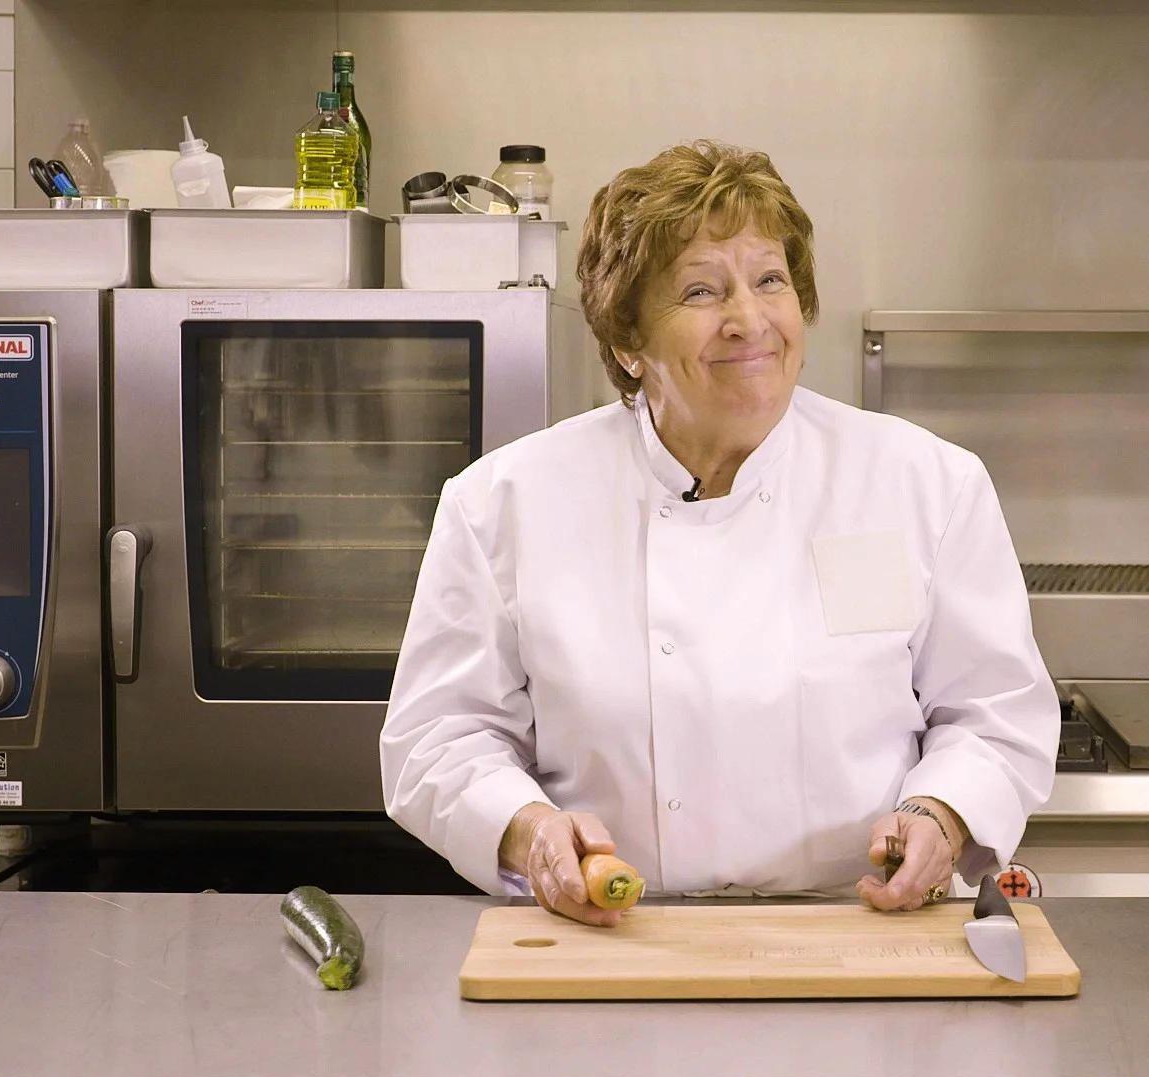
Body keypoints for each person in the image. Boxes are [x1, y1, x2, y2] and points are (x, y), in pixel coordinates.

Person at [381, 140, 1056, 926]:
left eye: (770, 280)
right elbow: (439, 738)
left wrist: (942, 813)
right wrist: (527, 831)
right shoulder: (503, 503)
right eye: (701, 291)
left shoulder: (925, 483)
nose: (749, 321)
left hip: (860, 929)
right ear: (628, 342)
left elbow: (994, 712)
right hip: (611, 935)